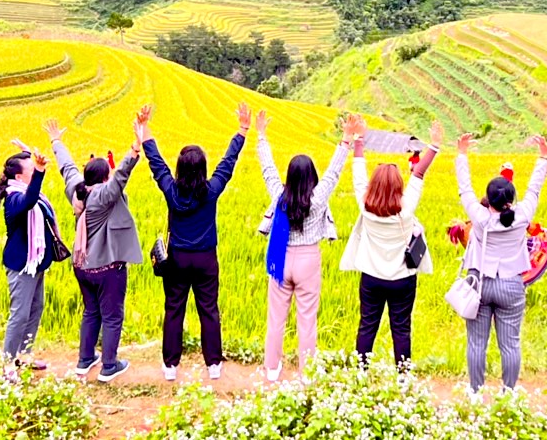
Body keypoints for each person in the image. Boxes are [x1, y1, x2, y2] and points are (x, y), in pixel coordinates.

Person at [143, 103, 249, 381]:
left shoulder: (170, 189)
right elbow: (227, 164)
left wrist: (144, 129)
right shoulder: (211, 190)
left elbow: (156, 163)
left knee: (174, 308)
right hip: (205, 258)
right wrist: (242, 130)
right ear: (203, 168)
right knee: (209, 309)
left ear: (179, 167)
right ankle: (213, 364)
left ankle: (170, 366)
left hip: (177, 258)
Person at [256, 110, 357, 382]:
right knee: (307, 320)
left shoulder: (279, 196)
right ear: (312, 176)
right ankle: (306, 374)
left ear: (289, 176)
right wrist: (345, 140)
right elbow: (334, 173)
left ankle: (272, 370)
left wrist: (261, 135)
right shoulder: (318, 199)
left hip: (280, 257)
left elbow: (268, 170)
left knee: (276, 318)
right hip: (308, 260)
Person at [50, 109, 145, 383]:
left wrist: (57, 142)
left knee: (91, 311)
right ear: (104, 178)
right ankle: (109, 366)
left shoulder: (76, 190)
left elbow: (67, 168)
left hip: (81, 267)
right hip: (107, 268)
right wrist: (135, 148)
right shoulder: (103, 196)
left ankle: (84, 360)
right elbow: (121, 176)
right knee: (113, 315)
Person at [340, 120, 442, 367]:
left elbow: (358, 174)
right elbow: (418, 173)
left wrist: (359, 140)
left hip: (372, 277)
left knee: (367, 326)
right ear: (399, 186)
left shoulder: (366, 206)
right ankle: (403, 379)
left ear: (373, 186)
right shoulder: (406, 208)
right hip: (402, 278)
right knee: (401, 329)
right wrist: (435, 145)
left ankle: (360, 375)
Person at [456, 131, 547, 392]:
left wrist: (462, 153)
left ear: (488, 200)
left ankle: (475, 392)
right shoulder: (523, 215)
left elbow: (464, 188)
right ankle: (508, 391)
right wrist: (543, 158)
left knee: (476, 342)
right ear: (511, 199)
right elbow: (534, 188)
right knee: (510, 344)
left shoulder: (479, 216)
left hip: (480, 283)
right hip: (511, 284)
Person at [0, 142, 63, 374]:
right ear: (19, 176)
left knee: (36, 308)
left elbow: (34, 195)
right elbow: (30, 201)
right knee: (20, 313)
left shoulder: (27, 191)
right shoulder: (14, 198)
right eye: (31, 170)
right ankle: (8, 363)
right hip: (21, 265)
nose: (34, 171)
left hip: (37, 263)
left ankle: (24, 355)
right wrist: (41, 172)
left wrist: (29, 151)